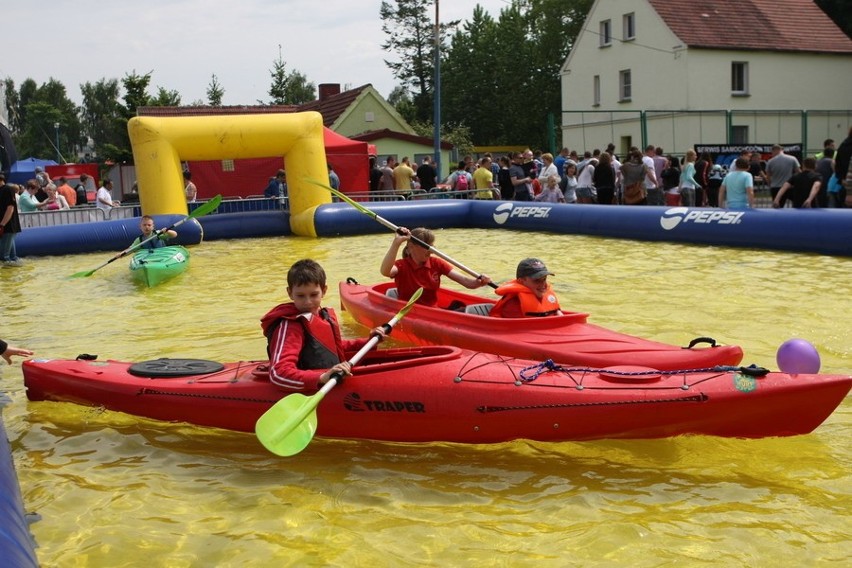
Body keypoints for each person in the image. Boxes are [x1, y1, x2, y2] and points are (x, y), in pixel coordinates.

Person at [261, 259, 388, 392]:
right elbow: (278, 374)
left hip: (333, 380)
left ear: (324, 290)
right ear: (289, 293)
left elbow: (333, 347)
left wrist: (368, 342)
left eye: (314, 294)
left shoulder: (323, 316)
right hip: (315, 387)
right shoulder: (290, 325)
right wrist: (321, 377)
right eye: (300, 296)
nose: (308, 302)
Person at [380, 227, 491, 307]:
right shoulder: (401, 265)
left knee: (460, 307)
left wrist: (480, 282)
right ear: (411, 247)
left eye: (432, 246)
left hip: (433, 312)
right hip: (410, 313)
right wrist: (396, 243)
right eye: (426, 246)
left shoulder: (437, 263)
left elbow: (467, 282)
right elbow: (385, 271)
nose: (431, 250)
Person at [491, 258, 562, 318]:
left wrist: (558, 313)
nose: (543, 284)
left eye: (544, 279)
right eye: (537, 280)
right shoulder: (513, 303)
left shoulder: (543, 295)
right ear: (521, 281)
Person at [0, 173, 24, 267]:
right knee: (12, 256)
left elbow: (10, 208)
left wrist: (2, 225)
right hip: (6, 227)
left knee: (3, 256)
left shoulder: (7, 189)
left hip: (8, 226)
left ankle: (7, 278)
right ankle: (17, 271)